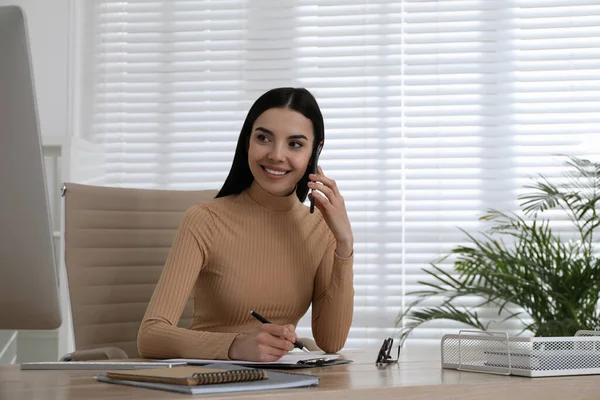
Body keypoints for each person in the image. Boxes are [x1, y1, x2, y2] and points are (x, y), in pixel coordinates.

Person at [137, 87, 354, 361]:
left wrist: (345, 244)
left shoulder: (320, 228)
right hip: (210, 383)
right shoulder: (205, 220)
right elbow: (150, 335)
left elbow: (331, 341)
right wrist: (235, 346)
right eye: (264, 138)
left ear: (315, 151)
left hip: (284, 386)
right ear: (247, 141)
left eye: (295, 144)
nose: (276, 155)